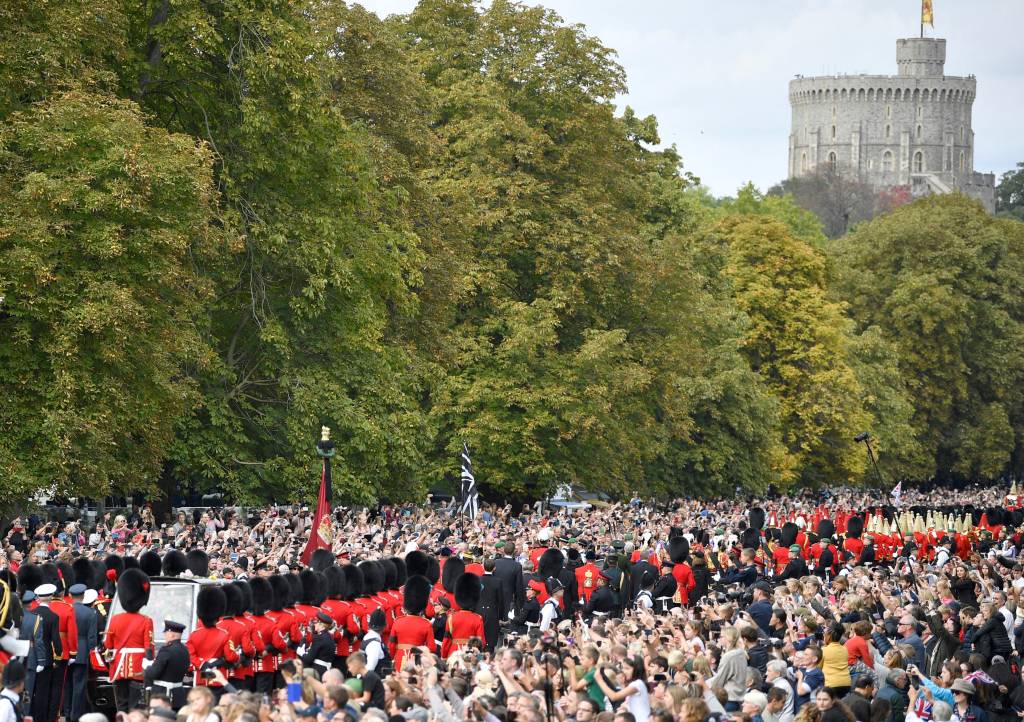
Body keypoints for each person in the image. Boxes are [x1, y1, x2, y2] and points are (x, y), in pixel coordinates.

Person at [104, 569, 154, 713]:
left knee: (121, 707)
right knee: (135, 708)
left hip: (118, 669)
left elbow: (108, 644)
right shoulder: (146, 621)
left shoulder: (115, 619)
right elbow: (149, 648)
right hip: (137, 669)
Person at [29, 583, 63, 722]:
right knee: (43, 692)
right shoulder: (53, 616)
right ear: (51, 597)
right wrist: (57, 658)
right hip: (47, 658)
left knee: (30, 690)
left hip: (32, 657)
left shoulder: (32, 613)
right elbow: (56, 640)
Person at [67, 582, 98, 722]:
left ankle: (67, 712)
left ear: (70, 596)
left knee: (67, 685)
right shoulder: (90, 613)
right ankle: (75, 715)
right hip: (83, 651)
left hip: (68, 651)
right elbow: (92, 638)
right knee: (79, 686)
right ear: (83, 596)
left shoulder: (67, 609)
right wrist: (92, 654)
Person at [144, 621, 191, 709]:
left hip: (163, 694)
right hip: (178, 694)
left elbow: (154, 673)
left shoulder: (166, 650)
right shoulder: (185, 650)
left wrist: (147, 667)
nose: (164, 635)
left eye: (166, 633)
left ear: (172, 635)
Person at [594, 656, 650, 722]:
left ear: (637, 670)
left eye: (627, 668)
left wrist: (599, 680)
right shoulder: (636, 684)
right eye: (623, 668)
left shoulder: (638, 683)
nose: (624, 671)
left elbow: (614, 696)